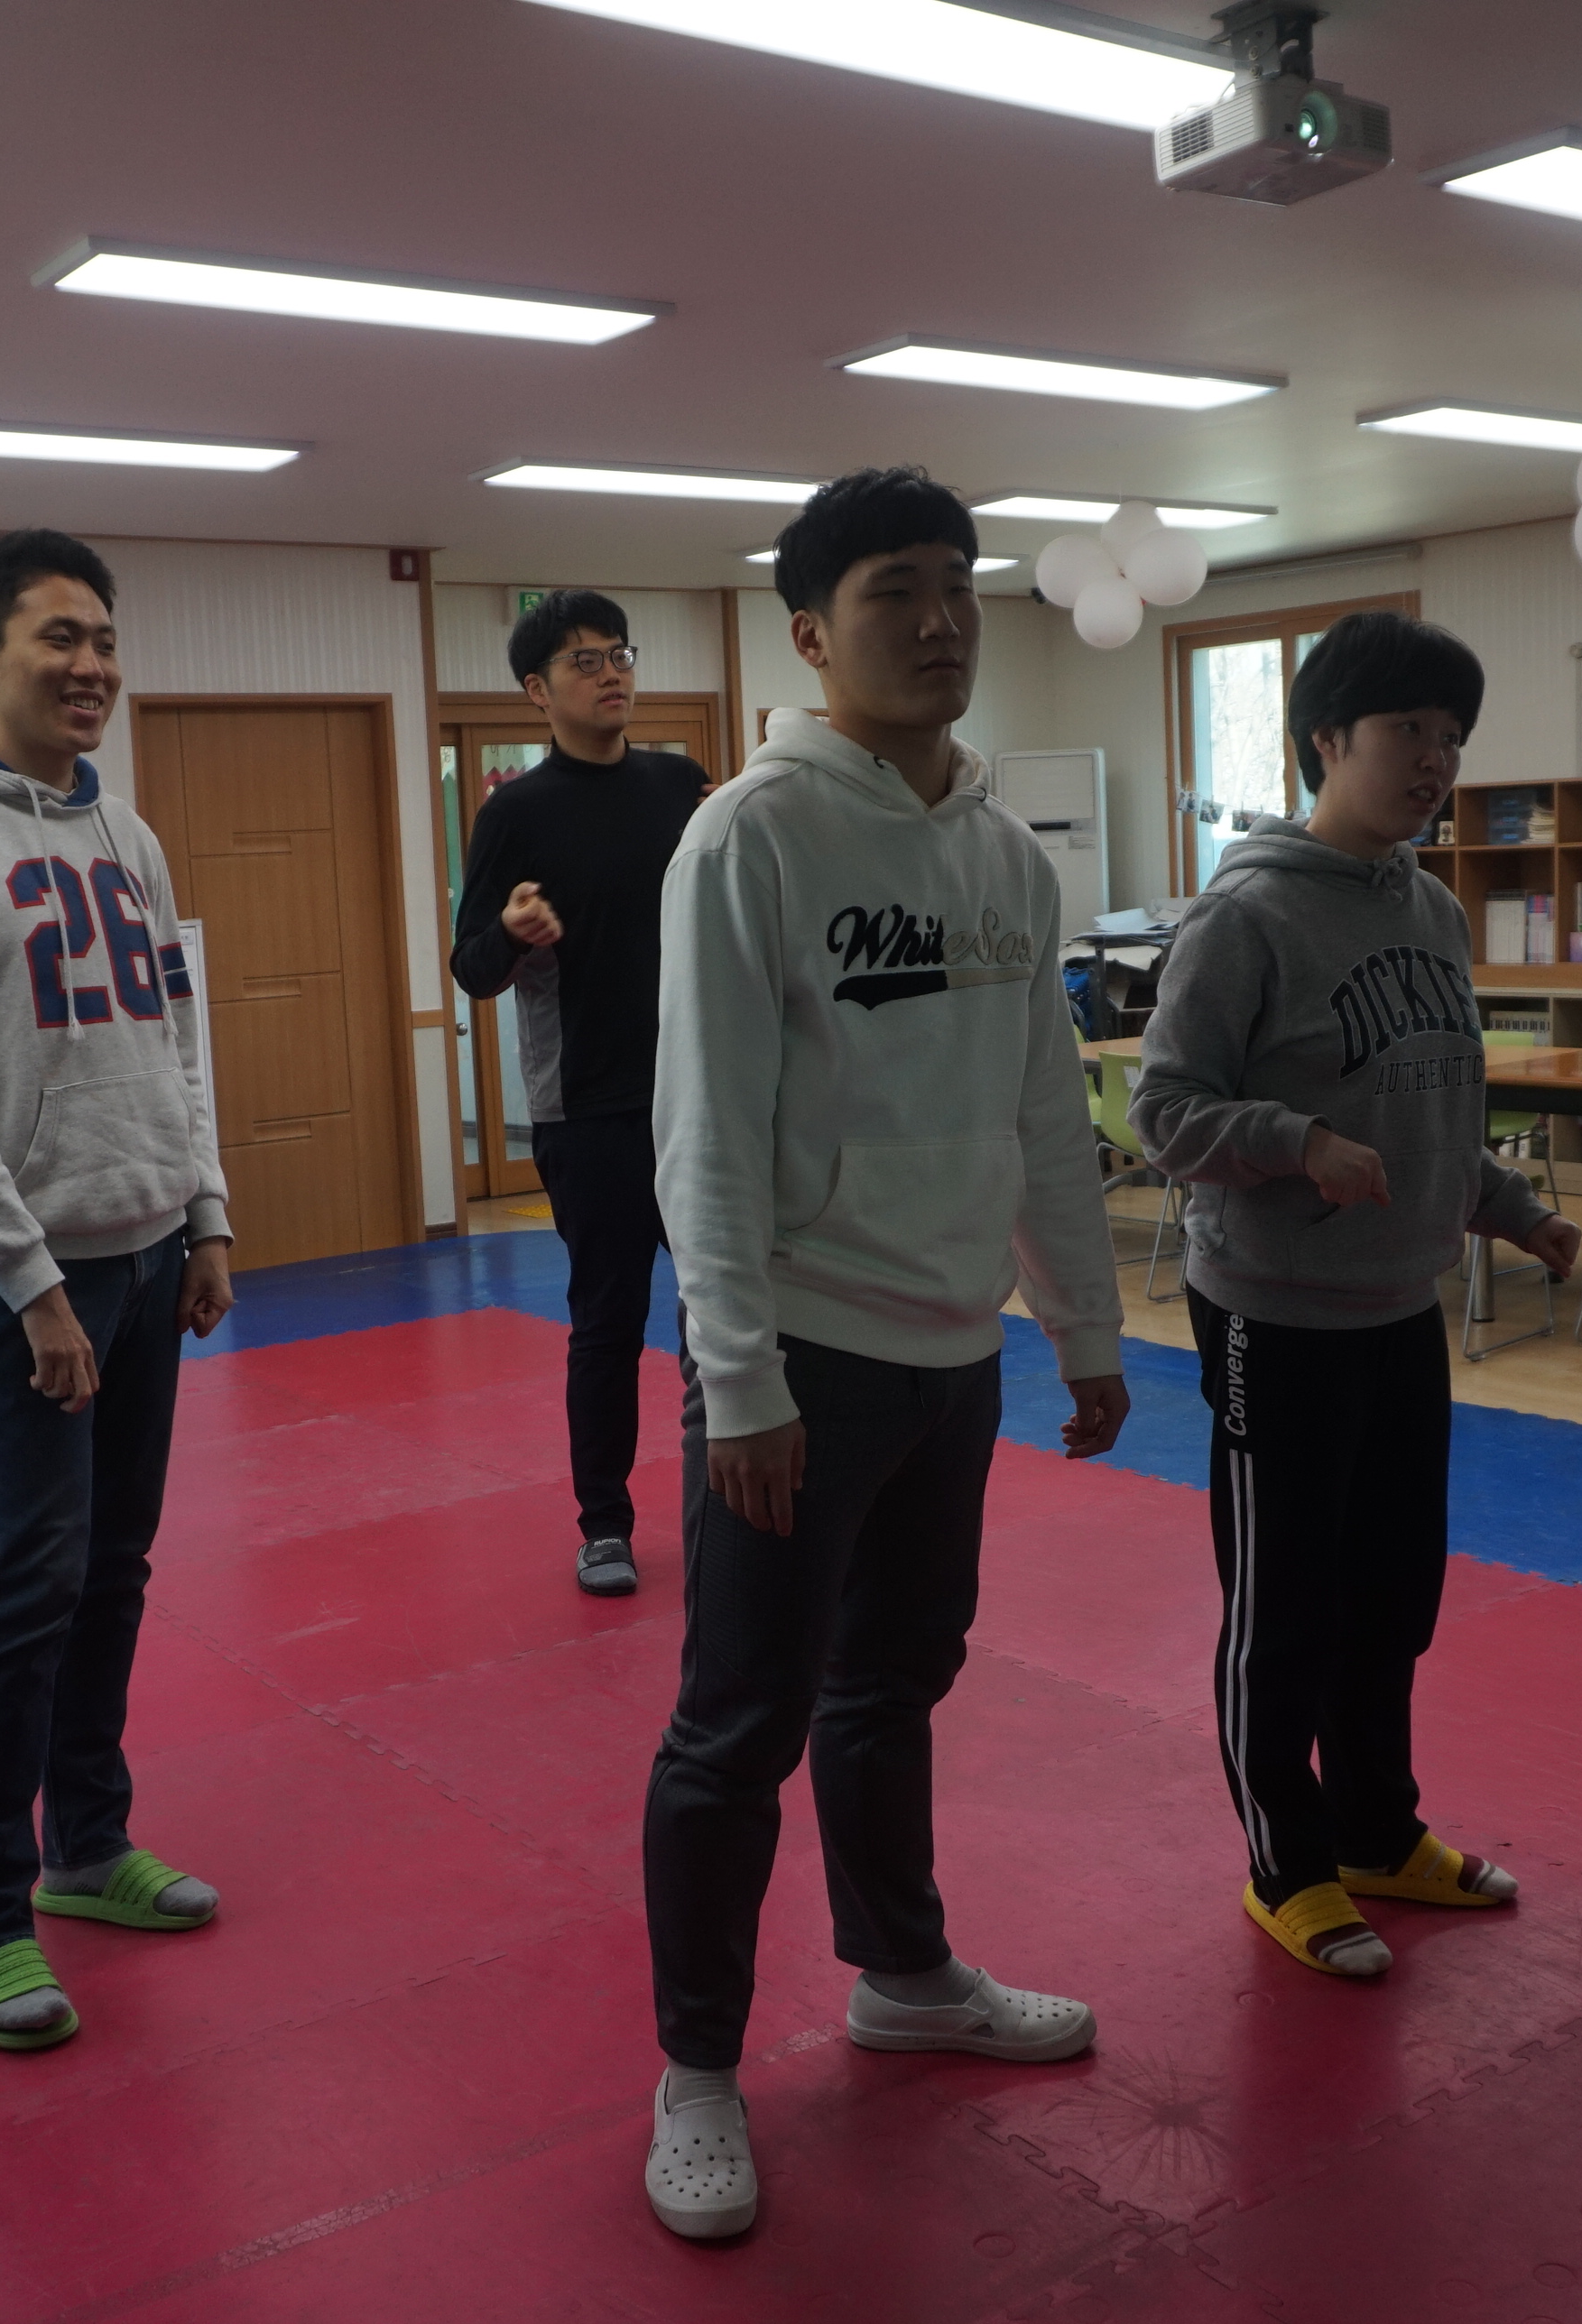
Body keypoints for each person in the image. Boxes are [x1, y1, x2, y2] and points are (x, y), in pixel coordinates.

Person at [640, 467, 1129, 2239]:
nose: (935, 622)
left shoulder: (1002, 852)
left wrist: (1080, 1322)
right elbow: (704, 1125)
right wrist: (739, 1375)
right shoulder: (751, 834)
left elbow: (1041, 1110)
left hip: (953, 1352)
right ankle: (696, 2072)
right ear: (808, 633)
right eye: (890, 593)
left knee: (897, 1679)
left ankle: (903, 1972)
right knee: (738, 1722)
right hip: (801, 1354)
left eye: (955, 587)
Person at [1131, 608, 1582, 1982]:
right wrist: (1294, 1144)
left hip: (1399, 1302)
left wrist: (1510, 1207)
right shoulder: (1246, 914)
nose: (1436, 761)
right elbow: (1162, 1110)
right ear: (1327, 738)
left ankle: (1379, 1832)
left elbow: (1435, 1101)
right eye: (1409, 731)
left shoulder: (1431, 908)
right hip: (1271, 1309)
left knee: (1393, 1594)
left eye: (1453, 737)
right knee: (1285, 1607)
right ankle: (1287, 1862)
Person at [0, 528, 240, 2052]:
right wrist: (28, 1284)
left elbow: (173, 1044)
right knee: (28, 1588)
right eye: (57, 638)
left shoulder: (125, 835)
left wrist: (204, 1217)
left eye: (104, 639)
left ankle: (88, 1844)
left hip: (149, 1259)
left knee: (114, 1570)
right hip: (31, 1282)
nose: (91, 666)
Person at [448, 589, 709, 1597]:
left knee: (724, 1308)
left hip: (702, 1095)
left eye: (619, 654)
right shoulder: (515, 813)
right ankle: (604, 1523)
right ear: (537, 688)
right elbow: (472, 968)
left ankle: (727, 1503)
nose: (611, 673)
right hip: (588, 1108)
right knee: (607, 1320)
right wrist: (512, 933)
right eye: (584, 660)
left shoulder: (679, 785)